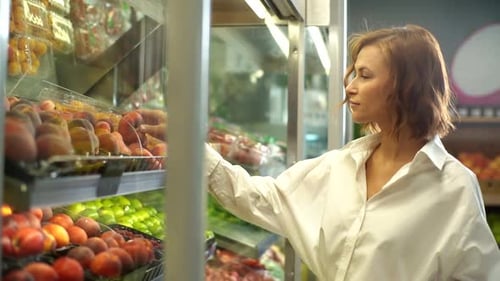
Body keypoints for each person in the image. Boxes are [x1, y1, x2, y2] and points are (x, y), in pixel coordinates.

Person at [140, 24, 500, 280]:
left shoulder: (453, 188)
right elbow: (258, 198)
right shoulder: (339, 166)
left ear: (406, 86)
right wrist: (188, 140)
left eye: (364, 74)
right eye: (352, 74)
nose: (350, 86)